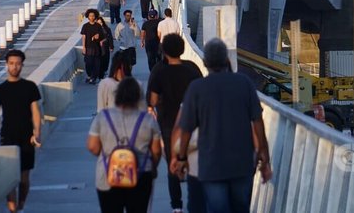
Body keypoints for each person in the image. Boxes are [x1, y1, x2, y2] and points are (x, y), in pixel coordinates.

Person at [172, 39, 273, 213]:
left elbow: (186, 129)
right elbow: (257, 122)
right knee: (241, 208)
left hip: (211, 166)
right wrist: (264, 157)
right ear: (227, 59)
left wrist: (181, 158)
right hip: (242, 163)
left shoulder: (197, 88)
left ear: (205, 63)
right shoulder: (244, 84)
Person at [147, 33, 203, 213]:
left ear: (163, 51)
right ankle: (197, 201)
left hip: (169, 124)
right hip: (195, 123)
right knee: (195, 160)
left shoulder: (159, 71)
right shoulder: (192, 68)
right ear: (182, 48)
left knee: (173, 161)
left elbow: (153, 101)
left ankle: (177, 206)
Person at [87, 77, 162, 213]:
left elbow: (93, 146)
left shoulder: (103, 117)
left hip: (108, 176)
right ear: (138, 96)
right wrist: (153, 167)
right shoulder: (148, 120)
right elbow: (156, 151)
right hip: (141, 175)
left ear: (117, 95)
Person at [0, 49, 42, 213]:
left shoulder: (30, 87)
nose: (14, 67)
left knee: (24, 179)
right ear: (6, 65)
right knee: (10, 177)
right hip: (7, 137)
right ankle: (13, 208)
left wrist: (36, 133)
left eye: (18, 64)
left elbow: (35, 113)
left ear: (22, 65)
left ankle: (21, 204)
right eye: (11, 64)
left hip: (26, 137)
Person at [81, 8, 105, 84]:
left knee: (96, 64)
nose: (91, 17)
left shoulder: (98, 26)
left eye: (93, 16)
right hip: (88, 47)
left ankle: (93, 78)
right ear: (88, 16)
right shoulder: (85, 26)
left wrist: (98, 37)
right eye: (90, 16)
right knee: (88, 63)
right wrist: (84, 47)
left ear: (95, 17)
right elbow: (84, 37)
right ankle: (90, 75)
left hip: (97, 47)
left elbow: (102, 36)